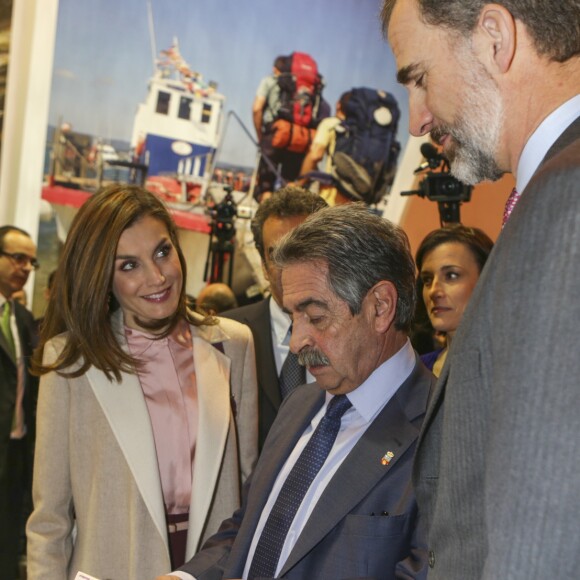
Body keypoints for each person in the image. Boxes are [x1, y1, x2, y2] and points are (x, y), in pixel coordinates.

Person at [382, 0, 580, 577]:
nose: (417, 118)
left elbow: (545, 528)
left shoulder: (565, 199)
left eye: (419, 79)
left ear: (494, 37)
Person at [159, 203, 434, 580]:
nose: (297, 341)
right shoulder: (300, 404)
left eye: (316, 316)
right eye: (293, 317)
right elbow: (247, 529)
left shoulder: (443, 436)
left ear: (380, 306)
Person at [26, 185, 258, 579]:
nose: (157, 277)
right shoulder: (69, 363)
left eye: (162, 252)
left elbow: (247, 487)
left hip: (210, 566)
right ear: (104, 277)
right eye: (128, 265)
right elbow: (50, 522)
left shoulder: (234, 344)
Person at [222, 186, 327, 450]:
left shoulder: (354, 338)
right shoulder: (223, 336)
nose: (289, 267)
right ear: (262, 263)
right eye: (276, 254)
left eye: (303, 249)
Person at [0, 225, 39, 579]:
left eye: (31, 261)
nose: (25, 267)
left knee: (8, 539)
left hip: (15, 452)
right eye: (17, 258)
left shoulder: (23, 320)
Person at [415, 225, 493, 376]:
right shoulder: (418, 371)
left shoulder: (510, 364)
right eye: (427, 279)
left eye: (451, 275)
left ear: (486, 279)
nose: (433, 291)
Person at [252, 57, 309, 201]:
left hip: (274, 133)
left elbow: (257, 109)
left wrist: (260, 135)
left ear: (274, 69)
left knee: (266, 186)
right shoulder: (303, 88)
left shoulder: (269, 81)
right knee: (288, 185)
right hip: (297, 138)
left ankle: (265, 221)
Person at [299, 91, 352, 205]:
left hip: (330, 198)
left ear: (338, 104)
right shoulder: (358, 133)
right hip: (354, 204)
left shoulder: (330, 124)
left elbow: (315, 155)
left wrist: (299, 184)